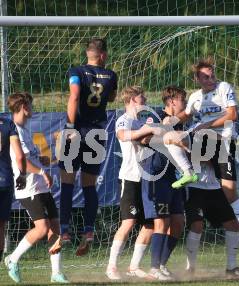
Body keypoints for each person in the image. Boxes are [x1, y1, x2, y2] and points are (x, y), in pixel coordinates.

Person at [176, 58, 239, 261]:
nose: (210, 79)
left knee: (230, 194)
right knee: (172, 138)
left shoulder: (224, 88)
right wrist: (170, 120)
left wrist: (207, 125)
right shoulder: (195, 97)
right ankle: (189, 171)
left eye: (212, 75)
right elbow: (185, 115)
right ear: (197, 78)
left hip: (223, 141)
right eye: (205, 76)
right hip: (205, 142)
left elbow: (232, 114)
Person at [58, 38, 118, 256]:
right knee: (89, 184)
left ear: (89, 53)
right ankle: (89, 230)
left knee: (67, 181)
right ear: (102, 55)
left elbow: (74, 96)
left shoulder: (76, 71)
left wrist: (70, 127)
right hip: (97, 133)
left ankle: (64, 231)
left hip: (77, 129)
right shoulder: (111, 75)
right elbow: (110, 97)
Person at [4, 92, 68, 283]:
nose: (32, 109)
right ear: (23, 107)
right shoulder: (14, 130)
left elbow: (36, 159)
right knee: (42, 228)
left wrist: (56, 153)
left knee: (55, 228)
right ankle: (12, 259)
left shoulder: (24, 130)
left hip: (41, 188)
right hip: (28, 188)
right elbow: (22, 162)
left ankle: (56, 273)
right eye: (30, 105)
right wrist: (42, 173)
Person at [105, 86, 157, 280]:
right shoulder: (124, 120)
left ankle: (134, 266)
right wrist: (145, 131)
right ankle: (111, 267)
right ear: (133, 100)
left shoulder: (144, 120)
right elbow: (122, 135)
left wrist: (151, 131)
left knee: (150, 224)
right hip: (130, 177)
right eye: (142, 96)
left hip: (147, 179)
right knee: (128, 222)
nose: (145, 98)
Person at [141, 86, 188, 280]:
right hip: (156, 175)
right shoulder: (155, 116)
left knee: (177, 222)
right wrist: (165, 132)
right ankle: (153, 269)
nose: (184, 104)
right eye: (182, 100)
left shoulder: (179, 123)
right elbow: (144, 138)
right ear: (172, 101)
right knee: (161, 222)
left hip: (173, 176)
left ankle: (161, 264)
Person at [185, 161, 239, 279]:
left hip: (214, 186)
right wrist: (213, 159)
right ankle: (190, 269)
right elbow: (193, 156)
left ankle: (232, 268)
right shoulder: (193, 141)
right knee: (197, 225)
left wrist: (218, 159)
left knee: (233, 225)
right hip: (193, 186)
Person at [0, 103, 26, 263]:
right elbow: (20, 156)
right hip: (5, 180)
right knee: (0, 226)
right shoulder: (8, 123)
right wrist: (22, 174)